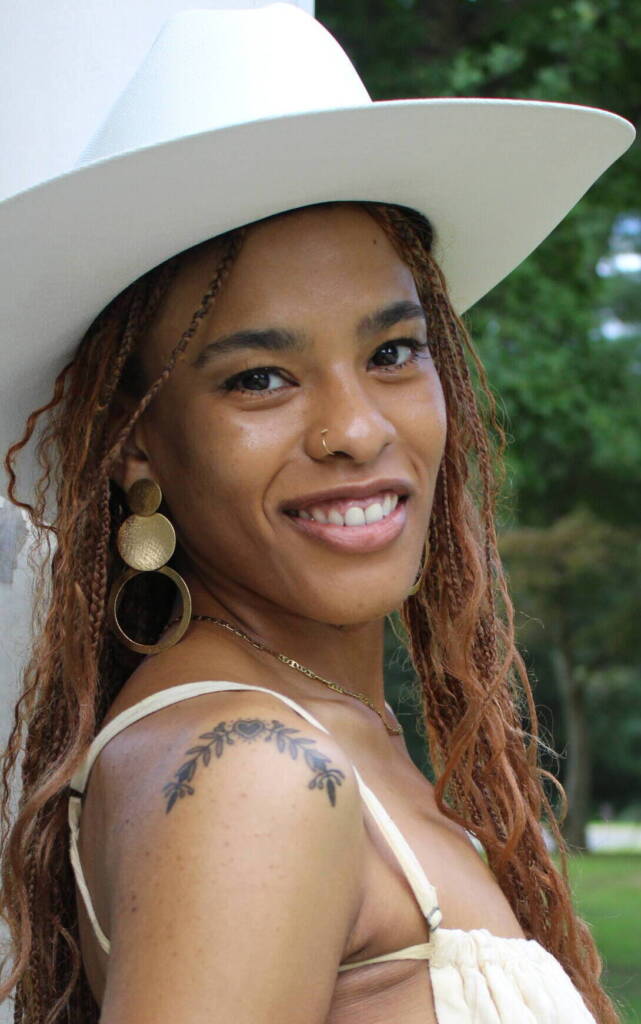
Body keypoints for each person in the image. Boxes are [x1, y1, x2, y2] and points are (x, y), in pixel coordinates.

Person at [0, 5, 634, 1023]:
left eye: (391, 353)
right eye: (259, 376)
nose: (355, 428)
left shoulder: (326, 733)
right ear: (134, 440)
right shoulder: (254, 772)